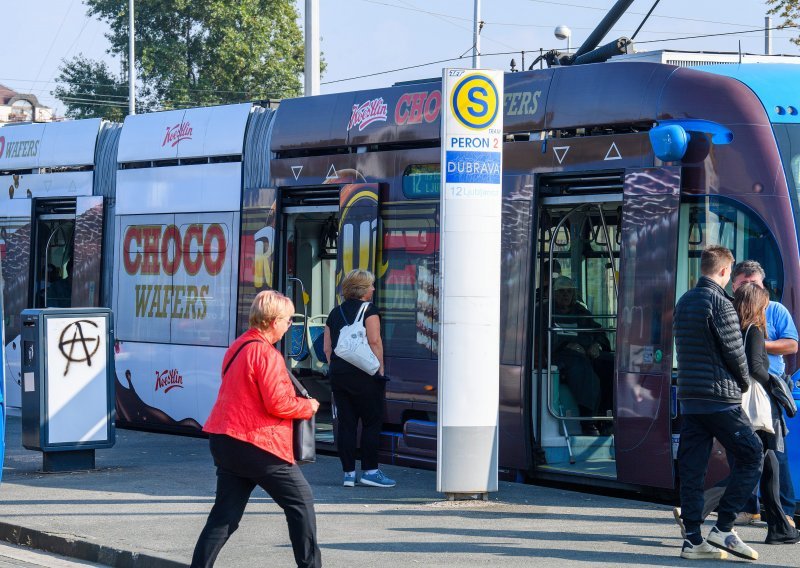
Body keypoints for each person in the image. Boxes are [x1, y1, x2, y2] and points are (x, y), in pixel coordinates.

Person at [191, 290, 322, 568]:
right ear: (273, 320)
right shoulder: (267, 355)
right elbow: (278, 404)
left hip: (226, 439)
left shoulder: (238, 346)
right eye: (288, 320)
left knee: (224, 517)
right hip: (257, 442)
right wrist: (308, 407)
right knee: (301, 503)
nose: (289, 325)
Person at [672, 245, 763, 561]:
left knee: (693, 471)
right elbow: (736, 354)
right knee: (752, 456)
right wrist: (741, 384)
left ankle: (693, 542)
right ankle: (724, 526)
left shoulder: (684, 302)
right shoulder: (721, 304)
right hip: (720, 399)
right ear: (725, 271)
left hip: (691, 400)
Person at [732, 260, 798, 528]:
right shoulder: (729, 309)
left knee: (775, 451)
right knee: (743, 451)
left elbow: (792, 345)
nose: (749, 288)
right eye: (744, 284)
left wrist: (760, 344)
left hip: (769, 387)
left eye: (754, 284)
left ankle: (785, 511)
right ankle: (749, 509)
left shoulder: (776, 310)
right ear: (733, 284)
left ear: (763, 285)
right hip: (740, 387)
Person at [323, 269, 395, 488]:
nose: (373, 288)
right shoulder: (369, 310)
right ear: (363, 290)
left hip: (339, 375)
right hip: (365, 375)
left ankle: (347, 474)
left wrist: (336, 368)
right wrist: (379, 369)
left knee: (346, 424)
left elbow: (327, 348)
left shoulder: (335, 313)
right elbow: (374, 342)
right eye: (371, 285)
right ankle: (370, 471)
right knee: (371, 422)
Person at [550, 276, 610, 435]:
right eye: (561, 292)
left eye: (569, 292)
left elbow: (599, 332)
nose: (565, 295)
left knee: (611, 363)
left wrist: (597, 345)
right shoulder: (546, 310)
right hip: (560, 355)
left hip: (586, 353)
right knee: (580, 367)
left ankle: (607, 416)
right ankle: (587, 419)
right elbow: (539, 337)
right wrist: (566, 344)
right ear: (554, 294)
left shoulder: (581, 311)